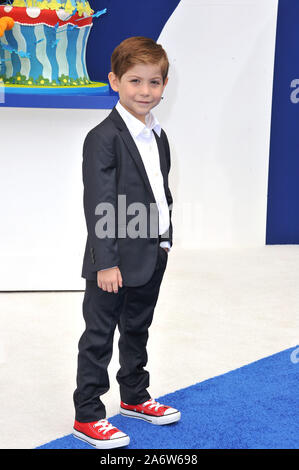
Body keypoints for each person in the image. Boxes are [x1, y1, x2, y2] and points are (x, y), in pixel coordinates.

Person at [72, 36, 180, 450]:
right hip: (111, 262)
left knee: (137, 330)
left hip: (151, 254)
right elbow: (99, 203)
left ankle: (134, 397)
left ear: (165, 84)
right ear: (115, 81)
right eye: (135, 81)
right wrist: (106, 262)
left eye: (154, 82)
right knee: (99, 337)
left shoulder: (159, 135)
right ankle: (88, 415)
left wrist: (165, 241)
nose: (145, 91)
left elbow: (159, 190)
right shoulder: (103, 137)